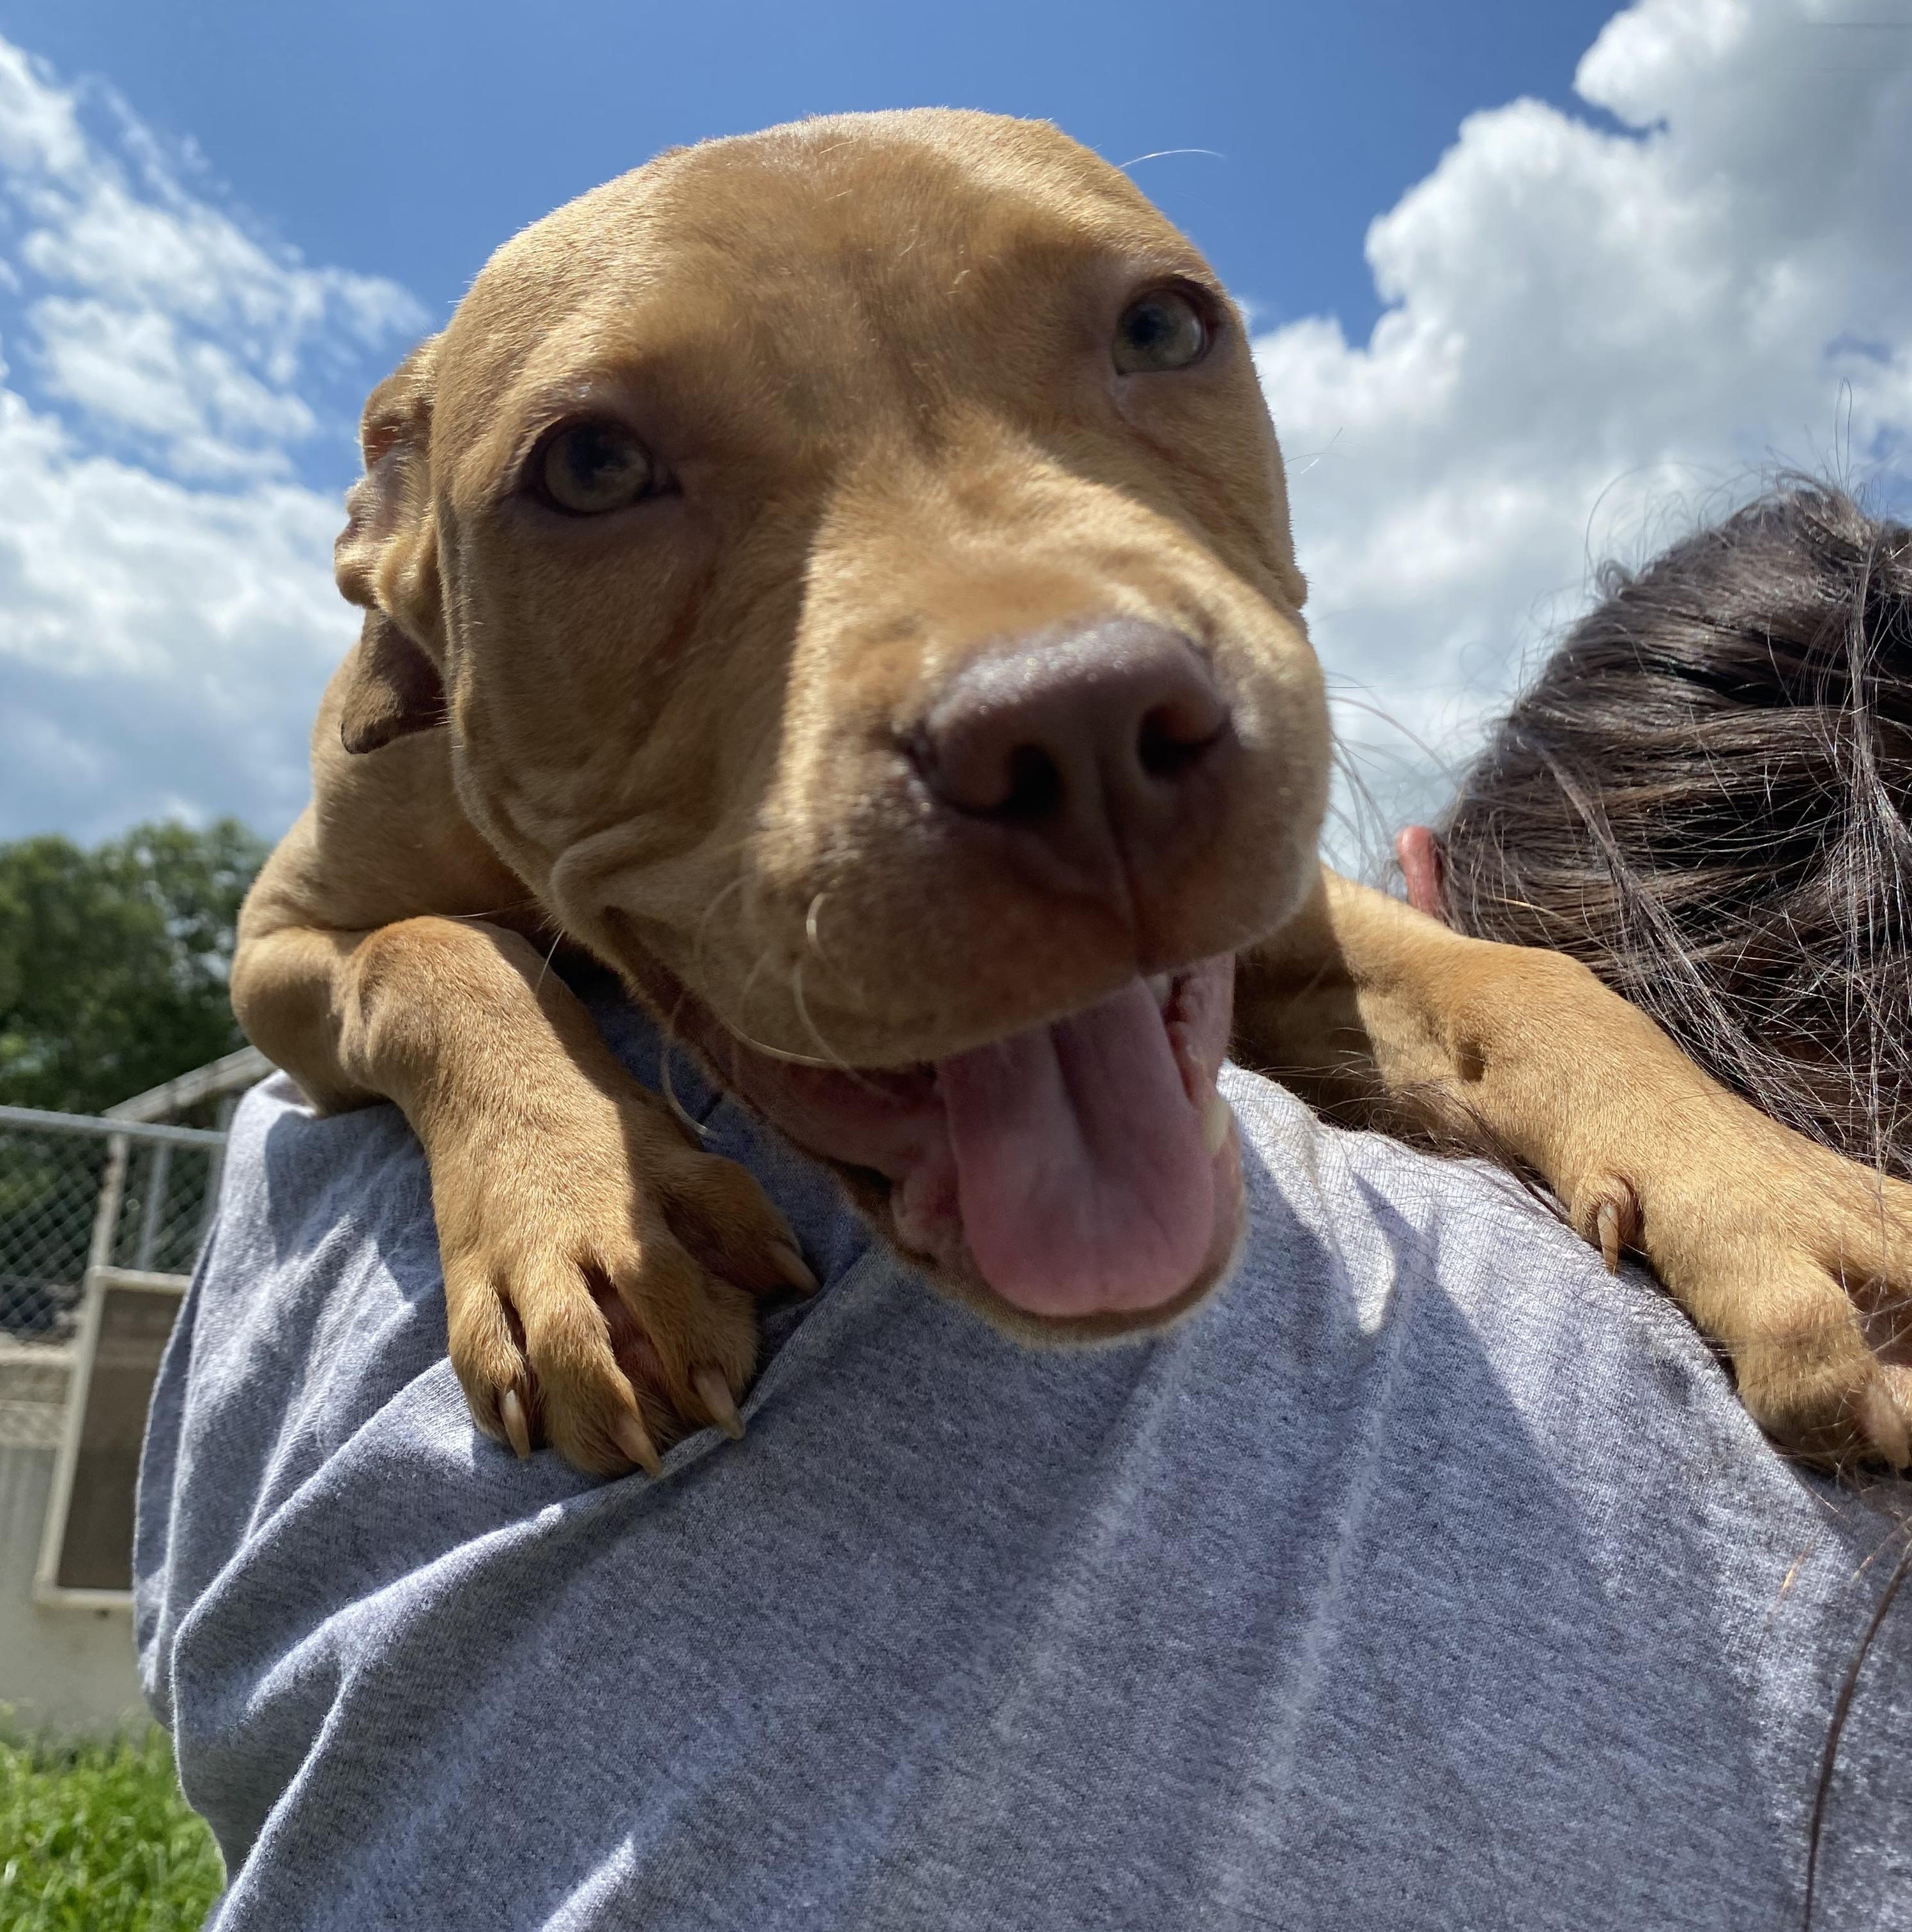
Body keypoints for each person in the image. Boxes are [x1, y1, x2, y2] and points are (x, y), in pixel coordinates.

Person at [136, 486, 1912, 1930]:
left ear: (1423, 873)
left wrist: (1624, 1091)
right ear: (400, 533)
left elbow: (1379, 980)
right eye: (597, 470)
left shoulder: (300, 1228)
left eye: (1152, 334)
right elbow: (310, 943)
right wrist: (485, 1069)